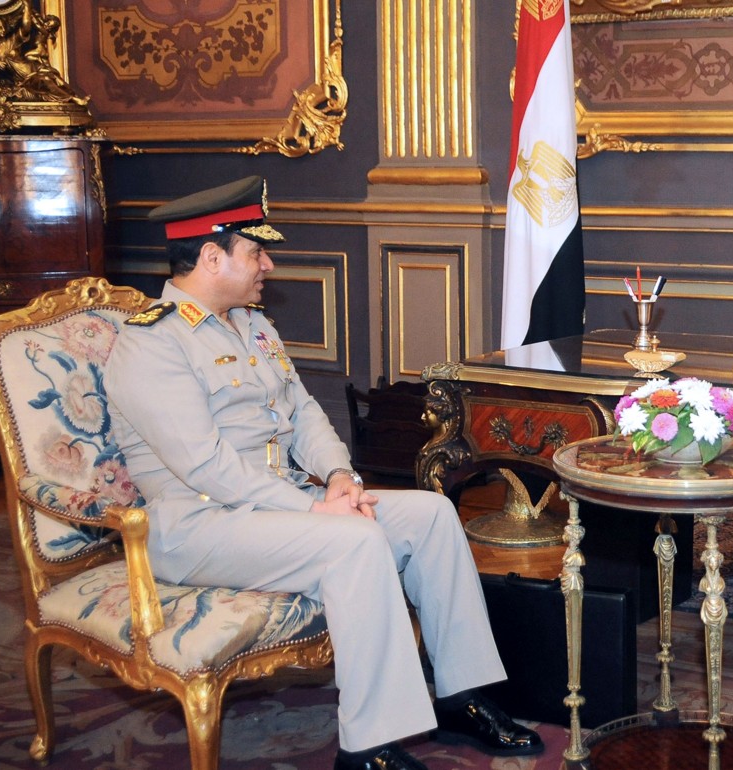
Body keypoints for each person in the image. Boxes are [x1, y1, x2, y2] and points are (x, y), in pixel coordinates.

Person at [104, 176, 543, 770]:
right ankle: (368, 746)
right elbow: (205, 464)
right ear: (211, 256)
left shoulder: (251, 324)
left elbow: (303, 410)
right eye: (256, 252)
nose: (270, 264)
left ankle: (460, 699)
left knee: (433, 514)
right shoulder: (151, 344)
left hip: (275, 507)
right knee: (354, 540)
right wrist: (315, 509)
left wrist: (339, 476)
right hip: (196, 525)